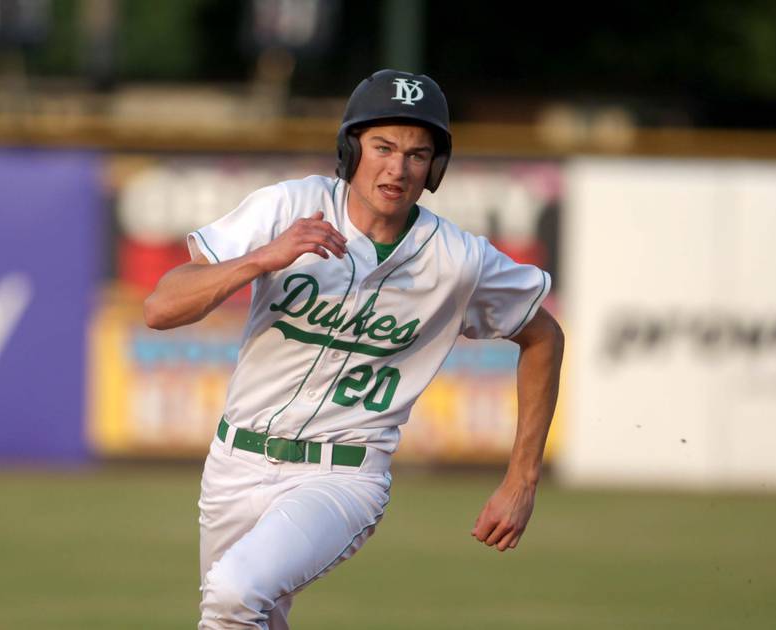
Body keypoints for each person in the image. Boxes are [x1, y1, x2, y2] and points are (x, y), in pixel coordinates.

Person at [144, 68, 564, 630]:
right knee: (243, 616)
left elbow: (543, 337)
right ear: (351, 149)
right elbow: (161, 307)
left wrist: (522, 479)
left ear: (435, 168)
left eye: (418, 153)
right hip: (233, 463)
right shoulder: (291, 207)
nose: (398, 167)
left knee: (233, 593)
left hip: (342, 475)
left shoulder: (458, 261)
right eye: (383, 146)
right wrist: (259, 260)